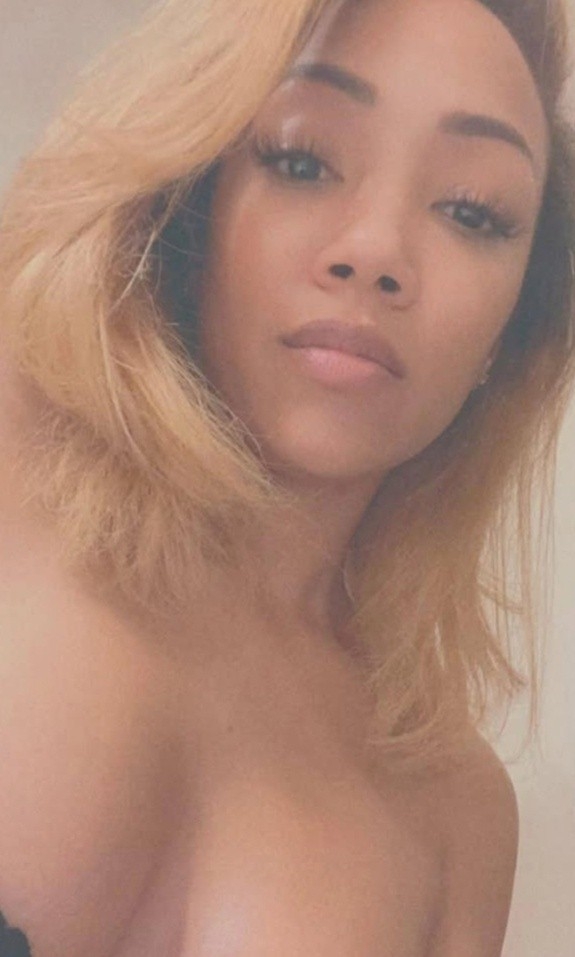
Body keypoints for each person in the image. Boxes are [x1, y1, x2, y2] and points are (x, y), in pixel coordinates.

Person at [0, 0, 573, 953]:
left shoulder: (456, 815)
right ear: (194, 194)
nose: (376, 251)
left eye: (471, 211)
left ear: (511, 327)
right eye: (302, 160)